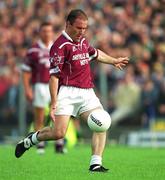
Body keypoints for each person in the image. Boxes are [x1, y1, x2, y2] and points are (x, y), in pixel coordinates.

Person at [15, 9, 129, 172]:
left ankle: (95, 163)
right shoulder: (59, 46)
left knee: (102, 121)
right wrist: (54, 103)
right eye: (78, 28)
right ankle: (30, 140)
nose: (82, 31)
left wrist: (113, 61)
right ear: (68, 24)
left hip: (87, 92)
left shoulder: (82, 40)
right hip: (67, 93)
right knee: (58, 133)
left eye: (84, 28)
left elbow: (95, 54)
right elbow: (54, 78)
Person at [21, 22, 65, 154]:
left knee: (59, 113)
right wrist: (27, 88)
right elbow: (26, 71)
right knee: (39, 116)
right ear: (40, 32)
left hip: (57, 85)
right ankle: (40, 144)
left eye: (49, 31)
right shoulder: (33, 50)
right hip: (40, 85)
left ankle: (59, 143)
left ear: (52, 32)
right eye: (44, 31)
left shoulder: (58, 47)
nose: (47, 33)